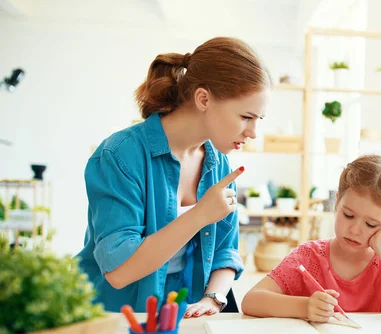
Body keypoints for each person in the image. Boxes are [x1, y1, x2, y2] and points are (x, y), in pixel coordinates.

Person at [77, 37, 271, 315]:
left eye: (259, 120)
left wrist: (212, 299)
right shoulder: (119, 155)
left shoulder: (221, 166)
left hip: (188, 314)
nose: (253, 132)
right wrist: (200, 215)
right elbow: (118, 272)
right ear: (203, 98)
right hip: (118, 317)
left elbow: (225, 253)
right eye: (245, 117)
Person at [241, 154, 381, 321]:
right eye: (348, 215)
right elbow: (251, 300)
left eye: (371, 225)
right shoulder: (308, 256)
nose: (355, 230)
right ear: (337, 202)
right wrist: (304, 307)